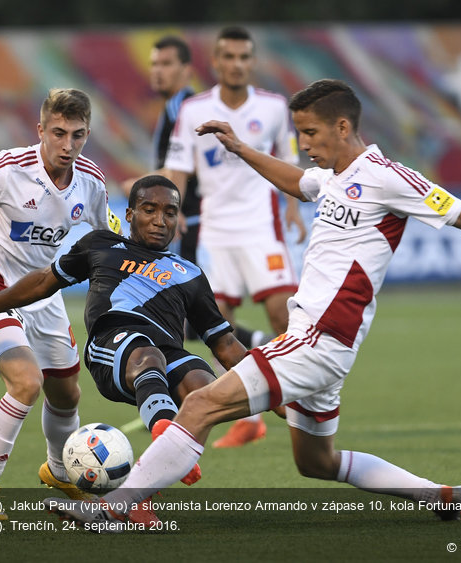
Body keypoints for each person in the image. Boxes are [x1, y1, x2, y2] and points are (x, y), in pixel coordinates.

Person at [42, 79, 461, 531]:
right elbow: (297, 181)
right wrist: (239, 148)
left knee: (200, 407)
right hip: (321, 345)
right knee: (317, 463)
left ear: (343, 126)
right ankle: (441, 497)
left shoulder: (386, 178)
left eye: (310, 132)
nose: (305, 143)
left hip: (319, 340)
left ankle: (113, 509)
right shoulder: (333, 178)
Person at [0, 175, 248, 499]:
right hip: (113, 346)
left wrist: (275, 382)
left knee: (203, 385)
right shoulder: (102, 245)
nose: (159, 220)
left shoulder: (189, 272)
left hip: (164, 351)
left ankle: (141, 495)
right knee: (149, 357)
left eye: (169, 212)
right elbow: (41, 283)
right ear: (130, 214)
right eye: (149, 209)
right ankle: (168, 443)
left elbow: (225, 344)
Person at [0, 88, 122, 521]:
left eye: (79, 135)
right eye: (59, 133)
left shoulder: (91, 181)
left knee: (66, 393)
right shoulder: (6, 169)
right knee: (26, 383)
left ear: (88, 133)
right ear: (41, 130)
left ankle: (61, 472)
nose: (68, 146)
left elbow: (110, 240)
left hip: (41, 295)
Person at [163, 26, 307, 447]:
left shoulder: (275, 108)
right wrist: (172, 211)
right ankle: (248, 414)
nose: (237, 64)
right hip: (217, 232)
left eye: (244, 57)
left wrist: (294, 209)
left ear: (253, 62)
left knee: (286, 316)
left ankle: (297, 400)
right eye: (229, 56)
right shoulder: (193, 110)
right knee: (216, 328)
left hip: (263, 227)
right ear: (216, 62)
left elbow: (289, 161)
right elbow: (177, 169)